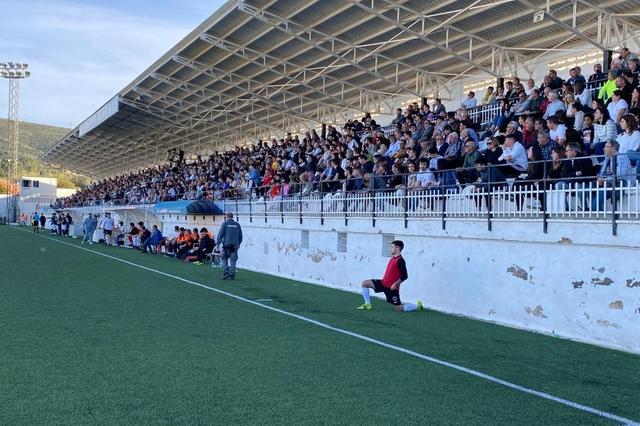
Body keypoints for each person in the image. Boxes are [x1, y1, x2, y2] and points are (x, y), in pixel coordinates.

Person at [357, 240, 423, 312]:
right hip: (383, 283)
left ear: (397, 248)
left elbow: (405, 275)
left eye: (392, 247)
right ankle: (367, 304)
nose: (390, 249)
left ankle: (417, 306)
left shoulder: (400, 260)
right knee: (365, 283)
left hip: (392, 289)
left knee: (399, 308)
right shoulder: (392, 259)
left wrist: (395, 284)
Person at [216, 212, 243, 280]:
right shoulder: (237, 225)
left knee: (224, 258)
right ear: (232, 217)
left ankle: (226, 272)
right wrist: (238, 244)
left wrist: (218, 243)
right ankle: (232, 275)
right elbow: (240, 236)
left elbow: (220, 234)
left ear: (226, 217)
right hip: (235, 245)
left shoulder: (225, 224)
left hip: (226, 245)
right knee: (233, 260)